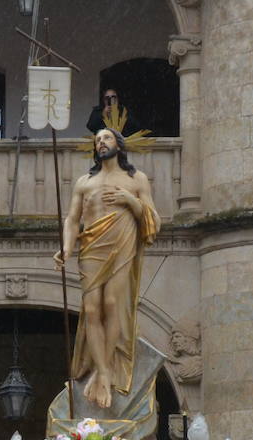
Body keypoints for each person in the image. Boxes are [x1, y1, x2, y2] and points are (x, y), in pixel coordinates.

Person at [54, 125, 160, 409]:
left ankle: (106, 373)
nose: (101, 142)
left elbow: (152, 219)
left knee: (113, 304)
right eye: (98, 139)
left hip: (121, 245)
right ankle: (102, 371)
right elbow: (72, 219)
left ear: (119, 145)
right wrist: (66, 247)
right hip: (91, 247)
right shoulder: (84, 182)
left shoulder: (136, 179)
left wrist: (130, 201)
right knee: (91, 309)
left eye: (107, 138)